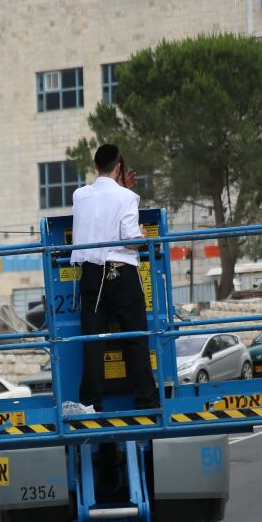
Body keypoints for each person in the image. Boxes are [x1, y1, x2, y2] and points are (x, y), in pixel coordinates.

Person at [70, 144, 160, 412]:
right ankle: (146, 399)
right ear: (119, 167)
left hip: (90, 274)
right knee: (134, 338)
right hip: (120, 273)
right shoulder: (127, 198)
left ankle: (90, 403)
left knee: (93, 342)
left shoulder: (79, 195)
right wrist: (143, 237)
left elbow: (101, 206)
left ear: (95, 166)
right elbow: (130, 240)